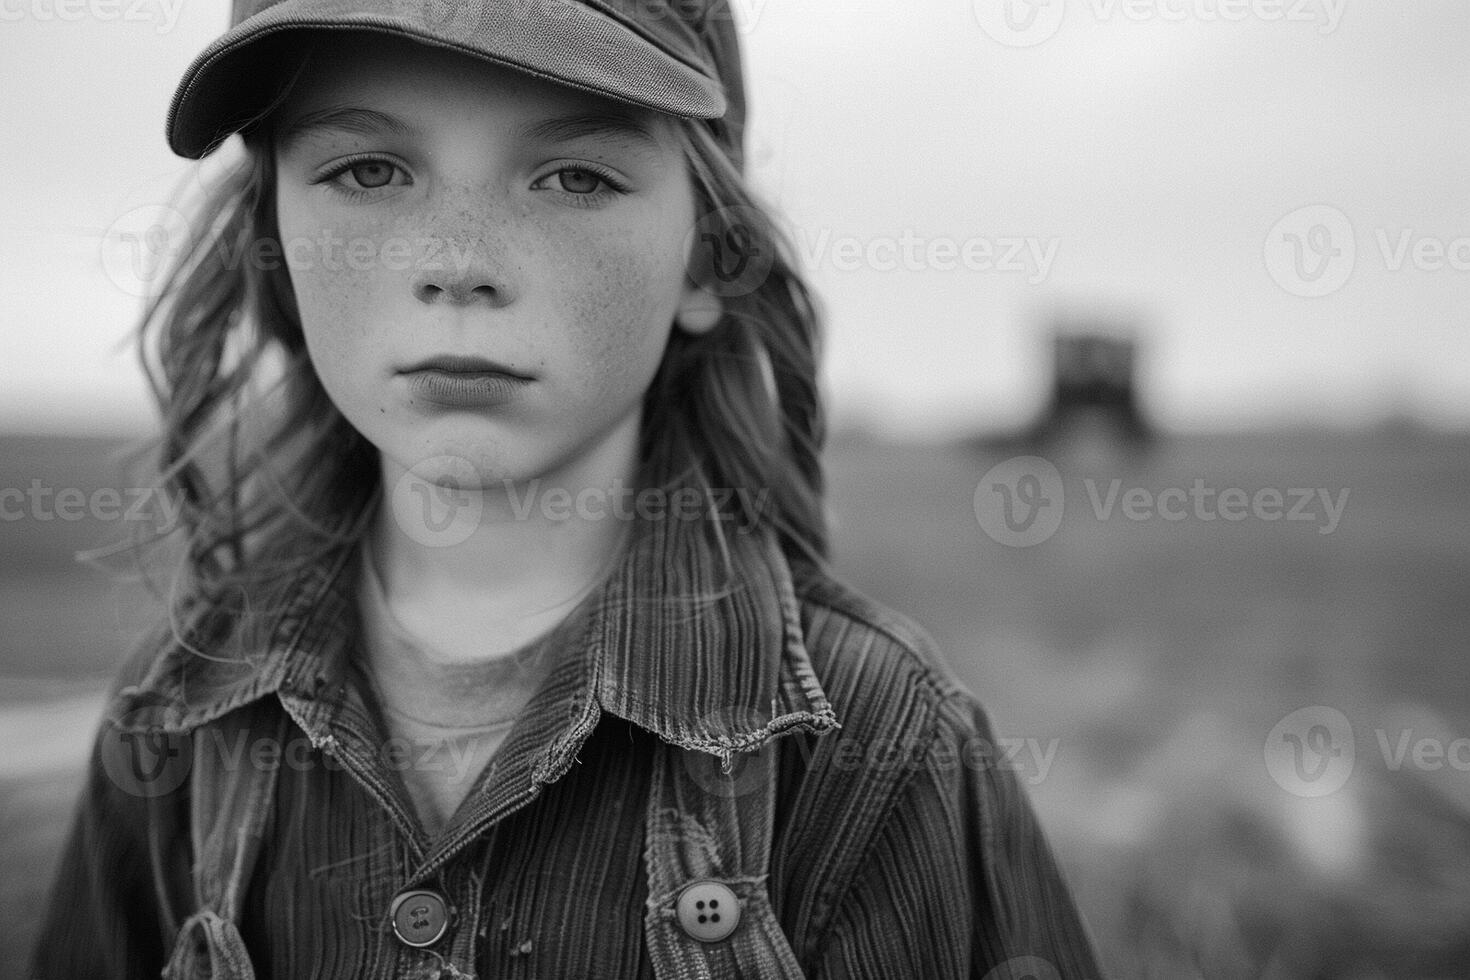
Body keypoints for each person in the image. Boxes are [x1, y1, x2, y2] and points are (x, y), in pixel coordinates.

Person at [30, 0, 1104, 976]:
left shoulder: (876, 745)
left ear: (704, 258)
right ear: (272, 238)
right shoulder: (179, 720)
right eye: (367, 170)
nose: (459, 263)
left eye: (575, 176)